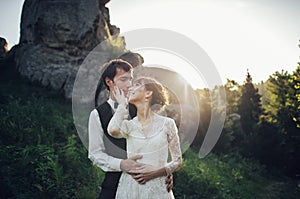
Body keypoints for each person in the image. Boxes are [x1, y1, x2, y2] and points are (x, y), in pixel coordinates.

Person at [88, 59, 173, 199]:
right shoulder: (97, 115)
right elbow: (95, 154)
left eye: (130, 79)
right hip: (113, 184)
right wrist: (121, 164)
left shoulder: (140, 107)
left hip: (147, 183)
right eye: (123, 79)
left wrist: (164, 170)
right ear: (109, 82)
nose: (129, 84)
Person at [108, 76, 182, 198]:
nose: (131, 88)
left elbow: (178, 161)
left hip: (157, 188)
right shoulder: (129, 125)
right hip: (131, 186)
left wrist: (155, 173)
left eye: (137, 85)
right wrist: (122, 104)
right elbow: (112, 130)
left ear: (148, 93)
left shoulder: (167, 124)